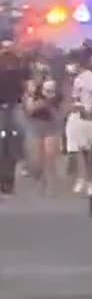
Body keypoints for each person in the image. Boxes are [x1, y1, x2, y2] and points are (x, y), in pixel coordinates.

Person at [66, 49, 92, 195]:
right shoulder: (75, 78)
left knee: (88, 151)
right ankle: (82, 178)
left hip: (86, 118)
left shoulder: (89, 76)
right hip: (75, 117)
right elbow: (73, 98)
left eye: (72, 62)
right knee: (76, 150)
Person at [0, 44, 27, 195]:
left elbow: (22, 91)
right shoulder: (15, 71)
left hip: (11, 109)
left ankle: (7, 181)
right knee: (9, 145)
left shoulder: (17, 71)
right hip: (7, 110)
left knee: (11, 144)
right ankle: (7, 181)